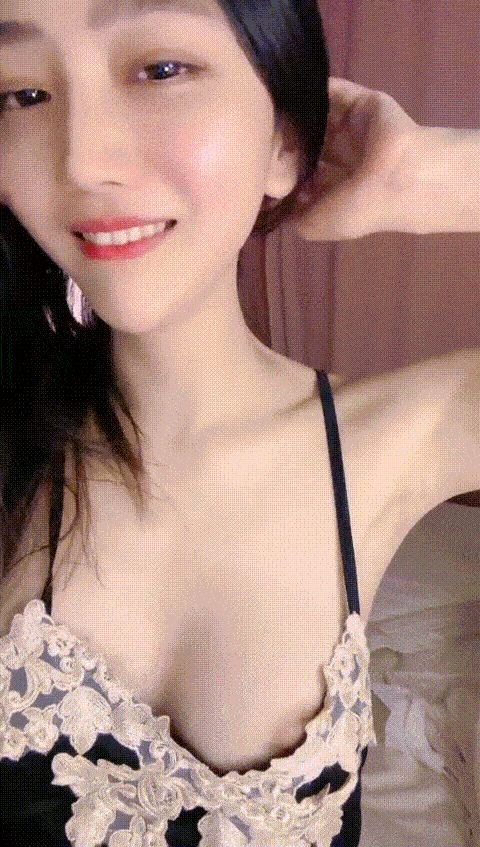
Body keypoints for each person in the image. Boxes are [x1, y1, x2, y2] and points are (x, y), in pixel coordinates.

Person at [0, 0, 478, 845]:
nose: (82, 160)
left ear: (284, 142)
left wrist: (432, 175)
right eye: (21, 94)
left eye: (160, 69)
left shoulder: (401, 436)